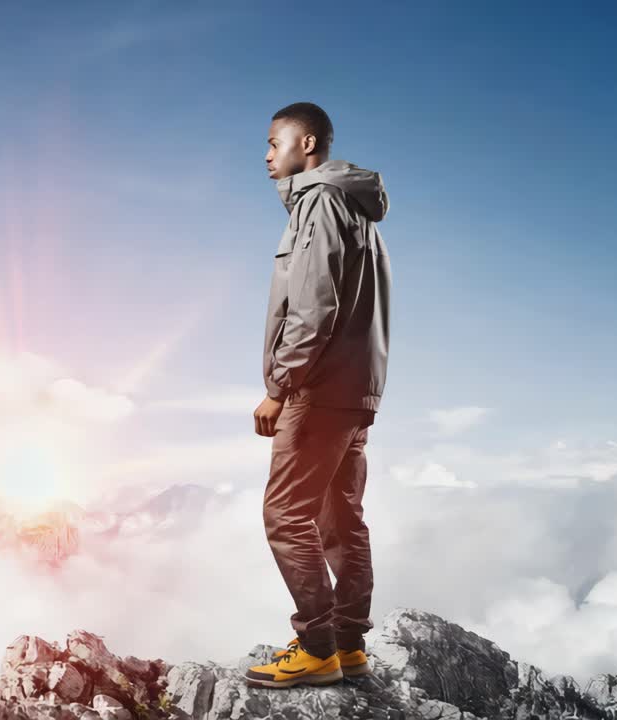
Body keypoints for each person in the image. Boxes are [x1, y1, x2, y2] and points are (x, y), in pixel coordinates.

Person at [243, 101, 392, 689]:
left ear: (307, 145)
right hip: (355, 393)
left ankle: (317, 646)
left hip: (318, 389)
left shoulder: (321, 203)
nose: (266, 155)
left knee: (285, 515)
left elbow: (313, 307)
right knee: (340, 518)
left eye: (273, 144)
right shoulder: (357, 210)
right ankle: (350, 646)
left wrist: (280, 388)